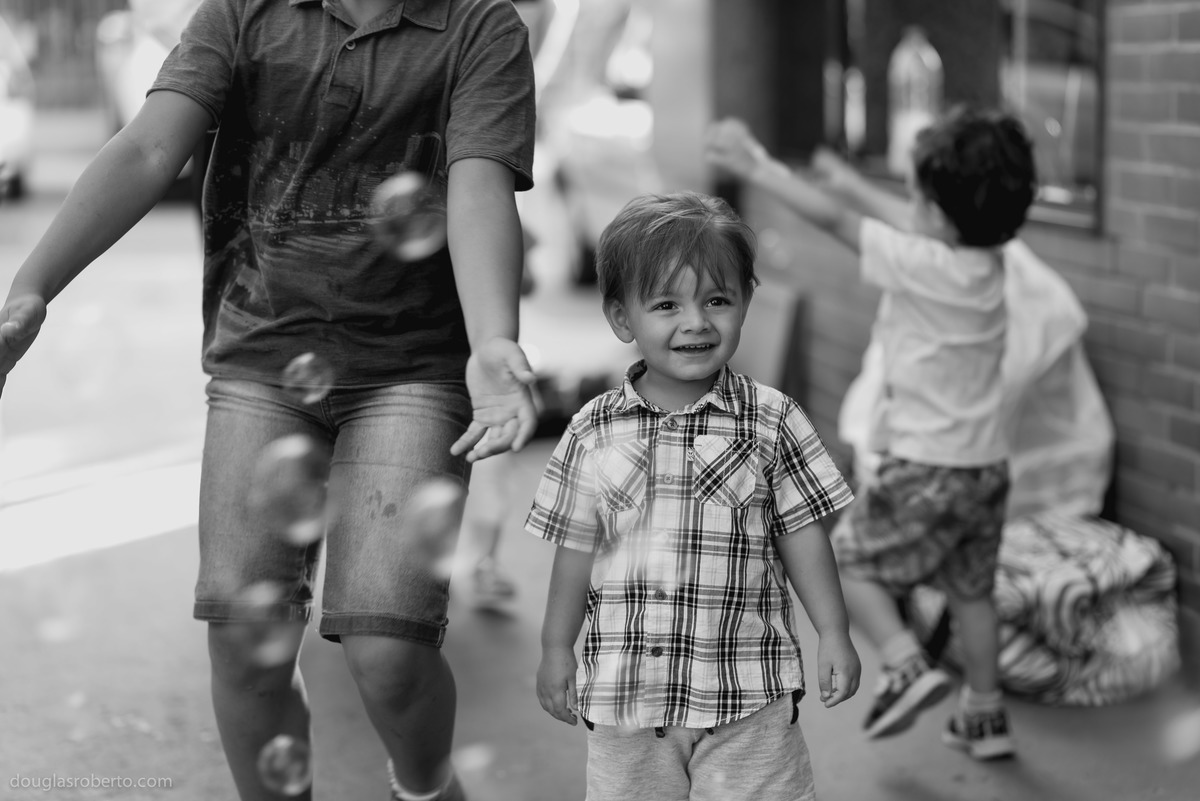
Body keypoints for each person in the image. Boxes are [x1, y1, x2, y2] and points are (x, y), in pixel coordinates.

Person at [0, 2, 539, 800]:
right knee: (247, 646)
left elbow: (479, 185)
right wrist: (31, 289)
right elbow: (150, 146)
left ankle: (426, 785)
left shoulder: (479, 24)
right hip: (261, 359)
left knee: (388, 652)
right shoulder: (241, 11)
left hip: (413, 369)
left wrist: (494, 339)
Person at [705, 106, 1038, 761]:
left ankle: (903, 660)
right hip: (987, 468)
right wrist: (851, 181)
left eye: (915, 193)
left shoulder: (922, 262)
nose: (909, 203)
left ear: (938, 215)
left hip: (923, 467)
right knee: (971, 590)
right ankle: (985, 712)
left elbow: (837, 224)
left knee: (849, 566)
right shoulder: (992, 256)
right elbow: (906, 214)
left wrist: (758, 166)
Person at [525, 191, 861, 801]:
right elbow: (575, 549)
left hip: (747, 693)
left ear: (746, 303)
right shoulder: (593, 429)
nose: (696, 322)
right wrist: (556, 648)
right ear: (622, 318)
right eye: (666, 304)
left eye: (717, 300)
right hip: (630, 701)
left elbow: (802, 533)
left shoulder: (771, 419)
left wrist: (833, 630)